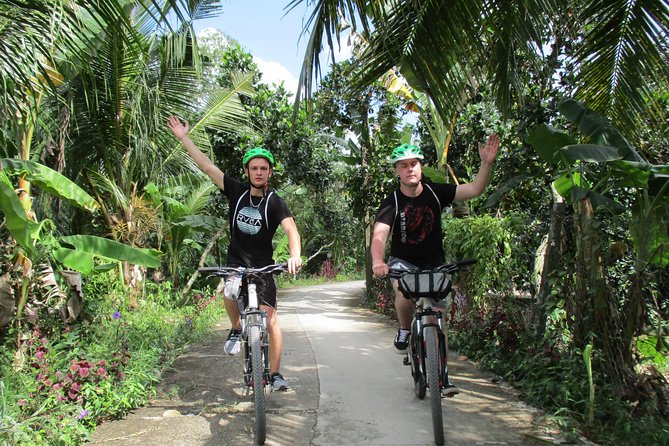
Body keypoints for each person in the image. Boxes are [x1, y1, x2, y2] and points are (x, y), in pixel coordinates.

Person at [168, 115, 302, 392]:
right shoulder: (237, 191)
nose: (259, 172)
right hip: (237, 264)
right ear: (247, 171)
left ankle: (275, 374)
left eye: (264, 168)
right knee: (228, 290)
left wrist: (294, 255)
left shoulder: (275, 201)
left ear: (269, 173)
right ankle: (235, 326)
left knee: (272, 320)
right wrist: (184, 137)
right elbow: (206, 167)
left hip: (264, 268)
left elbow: (292, 231)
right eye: (254, 168)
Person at [370, 135, 499, 396]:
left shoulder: (435, 192)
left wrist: (486, 164)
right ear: (397, 171)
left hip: (435, 264)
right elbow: (379, 235)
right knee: (404, 291)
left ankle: (443, 376)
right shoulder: (392, 202)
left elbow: (474, 189)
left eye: (414, 164)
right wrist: (378, 261)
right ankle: (405, 329)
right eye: (404, 165)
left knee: (439, 320)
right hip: (403, 262)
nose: (410, 169)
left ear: (420, 167)